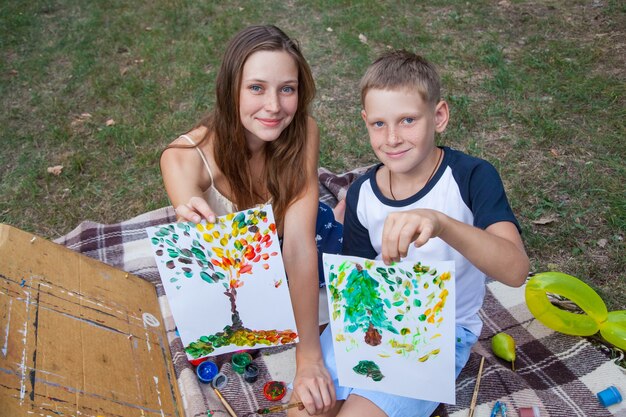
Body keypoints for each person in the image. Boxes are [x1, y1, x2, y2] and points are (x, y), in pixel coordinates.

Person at [291, 50, 530, 417]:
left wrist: (442, 224)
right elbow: (355, 284)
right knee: (306, 407)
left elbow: (515, 271)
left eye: (407, 120)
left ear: (439, 116)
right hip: (370, 320)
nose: (392, 138)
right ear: (365, 121)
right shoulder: (361, 193)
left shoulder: (471, 177)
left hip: (440, 332)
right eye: (379, 124)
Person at [160, 25, 340, 415]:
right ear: (230, 90)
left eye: (287, 89)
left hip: (299, 236)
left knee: (347, 264)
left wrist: (308, 358)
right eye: (256, 88)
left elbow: (297, 246)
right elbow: (198, 243)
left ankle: (341, 211)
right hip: (244, 264)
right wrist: (188, 218)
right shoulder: (183, 157)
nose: (274, 106)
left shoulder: (304, 132)